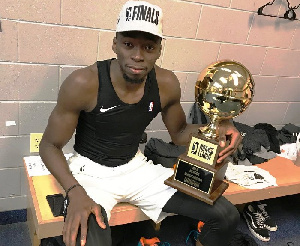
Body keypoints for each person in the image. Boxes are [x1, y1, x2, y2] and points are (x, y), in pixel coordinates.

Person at [39, 1, 242, 246]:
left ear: (159, 49)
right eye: (128, 44)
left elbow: (179, 133)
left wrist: (219, 127)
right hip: (90, 173)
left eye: (148, 47)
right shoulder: (84, 82)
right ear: (115, 44)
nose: (137, 55)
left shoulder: (166, 83)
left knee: (227, 216)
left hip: (136, 168)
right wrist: (74, 190)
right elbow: (49, 145)